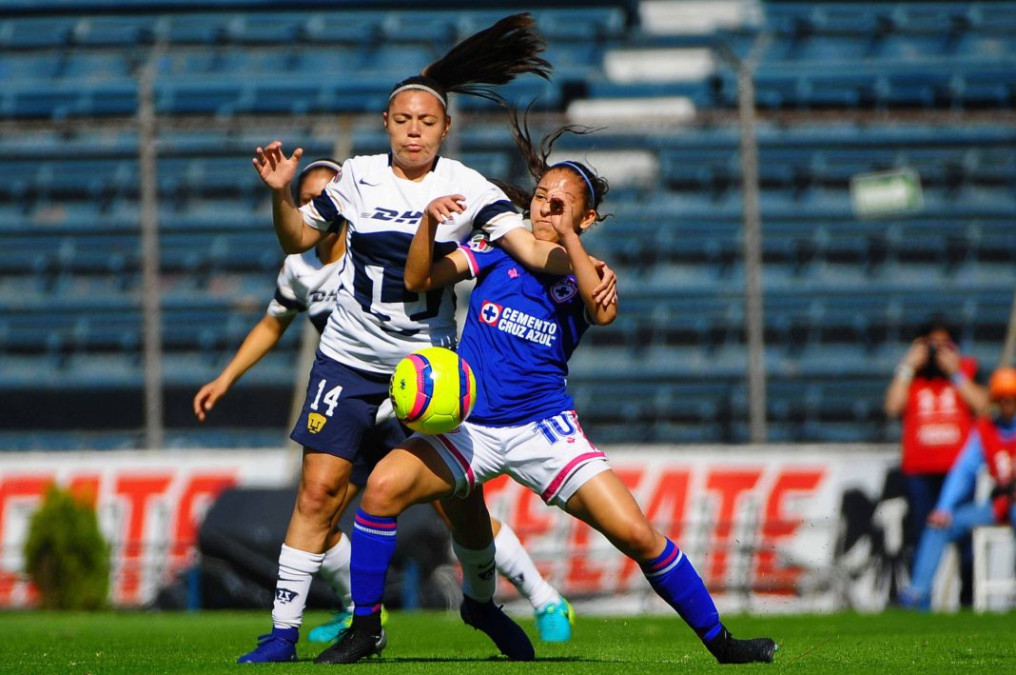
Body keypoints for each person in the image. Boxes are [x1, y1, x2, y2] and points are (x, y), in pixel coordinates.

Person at [318, 112, 776, 665]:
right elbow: (418, 279)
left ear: (586, 218)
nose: (545, 206)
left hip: (544, 429)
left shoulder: (590, 271)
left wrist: (568, 240)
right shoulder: (496, 249)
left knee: (635, 534)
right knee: (383, 488)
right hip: (471, 425)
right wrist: (427, 229)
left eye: (561, 203)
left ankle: (722, 643)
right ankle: (372, 628)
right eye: (540, 196)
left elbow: (602, 313)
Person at [239, 14, 613, 664]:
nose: (414, 130)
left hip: (429, 370)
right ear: (387, 122)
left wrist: (585, 273)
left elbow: (528, 249)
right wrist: (279, 196)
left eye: (427, 121)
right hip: (351, 358)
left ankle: (484, 601)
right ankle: (287, 631)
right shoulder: (356, 176)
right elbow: (299, 238)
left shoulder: (467, 187)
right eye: (403, 119)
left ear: (445, 128)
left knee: (461, 510)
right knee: (320, 491)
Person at [199, 159, 575, 647]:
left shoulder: (379, 246)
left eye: (326, 195)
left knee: (456, 507)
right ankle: (351, 613)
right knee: (319, 508)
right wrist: (226, 377)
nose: (323, 206)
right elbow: (273, 322)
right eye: (312, 199)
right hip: (355, 395)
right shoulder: (300, 269)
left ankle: (540, 596)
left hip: (411, 393)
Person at [884, 315, 990, 600]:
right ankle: (922, 600)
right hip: (919, 470)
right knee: (922, 535)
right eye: (931, 345)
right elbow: (893, 406)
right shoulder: (912, 375)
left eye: (944, 344)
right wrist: (908, 365)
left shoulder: (966, 370)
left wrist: (956, 373)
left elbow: (984, 406)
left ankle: (970, 597)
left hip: (958, 471)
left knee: (966, 536)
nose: (936, 351)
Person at [900, 367, 1016, 610]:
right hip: (1000, 505)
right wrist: (944, 508)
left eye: (1012, 399)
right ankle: (918, 594)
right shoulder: (985, 431)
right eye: (1003, 400)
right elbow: (963, 472)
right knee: (938, 524)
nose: (1007, 405)